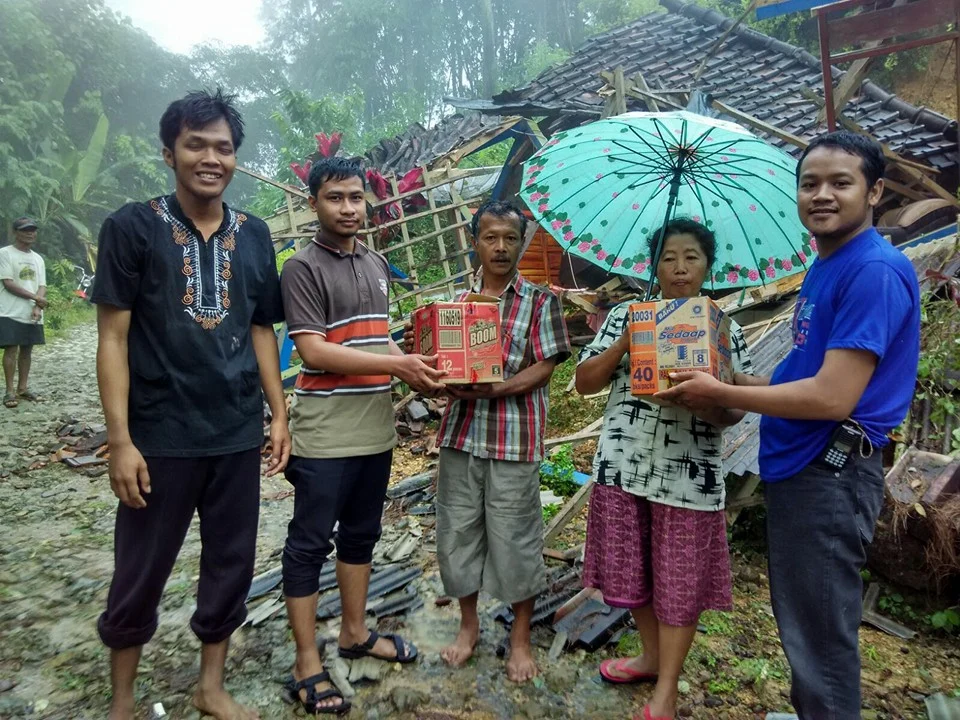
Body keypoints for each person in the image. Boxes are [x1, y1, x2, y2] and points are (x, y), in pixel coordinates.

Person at [658, 131, 921, 719]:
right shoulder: (829, 265)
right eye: (809, 184)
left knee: (821, 642)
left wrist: (720, 391)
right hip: (807, 468)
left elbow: (832, 397)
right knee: (806, 627)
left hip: (830, 472)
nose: (821, 195)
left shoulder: (873, 271)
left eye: (840, 183)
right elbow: (800, 376)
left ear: (874, 191)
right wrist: (720, 378)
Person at [92, 89, 290, 720]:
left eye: (224, 147)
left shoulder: (255, 236)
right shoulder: (132, 227)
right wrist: (120, 441)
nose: (211, 158)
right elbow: (112, 337)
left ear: (236, 157)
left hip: (234, 431)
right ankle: (122, 699)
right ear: (169, 151)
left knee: (230, 561)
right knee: (140, 568)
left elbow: (263, 331)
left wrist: (277, 413)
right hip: (159, 435)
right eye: (196, 144)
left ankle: (211, 685)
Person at [278, 157, 446, 715]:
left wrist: (417, 367)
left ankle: (354, 632)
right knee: (308, 544)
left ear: (367, 200)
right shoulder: (301, 268)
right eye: (334, 198)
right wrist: (398, 369)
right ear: (314, 204)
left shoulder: (375, 262)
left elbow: (379, 341)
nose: (348, 208)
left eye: (355, 197)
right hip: (325, 433)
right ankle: (307, 659)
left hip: (375, 429)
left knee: (361, 536)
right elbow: (313, 351)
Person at [575, 219, 752, 720]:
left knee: (678, 580)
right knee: (632, 570)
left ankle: (667, 691)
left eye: (691, 256)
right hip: (624, 465)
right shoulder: (627, 316)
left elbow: (734, 409)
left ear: (707, 265)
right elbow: (585, 383)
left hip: (688, 475)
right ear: (654, 265)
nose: (679, 267)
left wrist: (704, 400)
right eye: (669, 256)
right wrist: (624, 343)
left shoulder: (723, 327)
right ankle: (650, 658)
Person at [405, 200, 572, 683]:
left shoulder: (541, 301)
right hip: (461, 436)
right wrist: (434, 379)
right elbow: (436, 364)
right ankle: (469, 624)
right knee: (457, 533)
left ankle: (519, 637)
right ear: (473, 240)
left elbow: (545, 368)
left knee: (516, 539)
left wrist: (497, 387)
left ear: (522, 243)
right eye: (490, 237)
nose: (500, 247)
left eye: (510, 238)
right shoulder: (455, 307)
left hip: (515, 439)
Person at [0, 217, 47, 408]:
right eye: (25, 230)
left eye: (33, 230)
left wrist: (37, 306)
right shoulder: (5, 254)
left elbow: (42, 285)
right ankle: (9, 390)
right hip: (10, 310)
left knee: (27, 349)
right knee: (11, 349)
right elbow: (8, 282)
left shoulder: (38, 258)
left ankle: (23, 387)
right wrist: (36, 299)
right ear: (16, 232)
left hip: (32, 312)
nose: (30, 233)